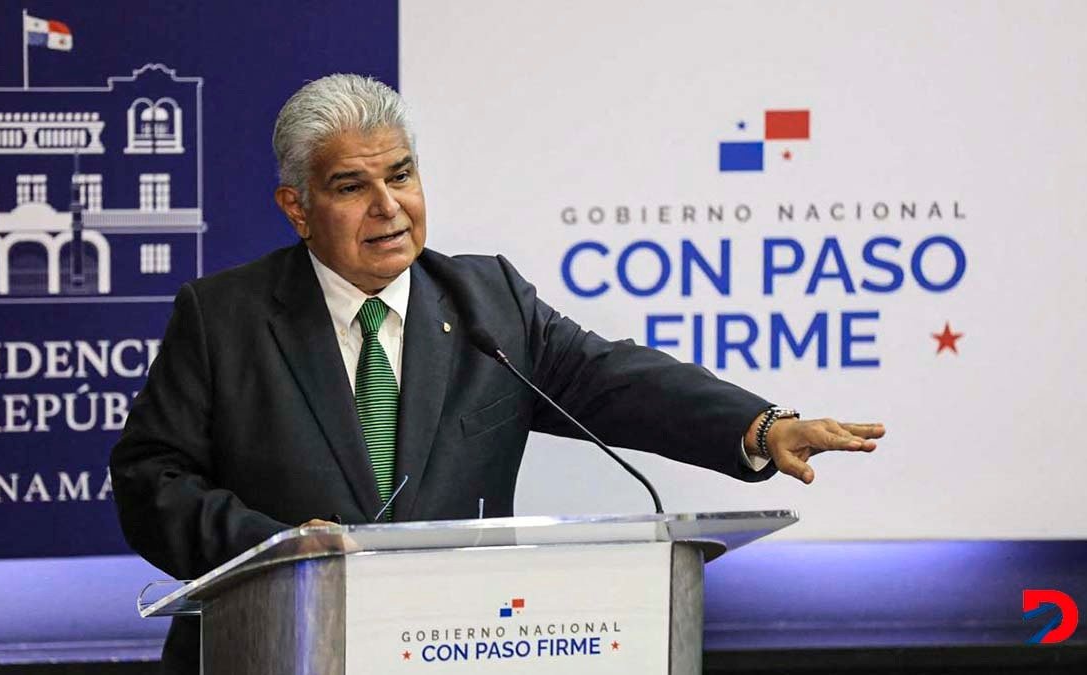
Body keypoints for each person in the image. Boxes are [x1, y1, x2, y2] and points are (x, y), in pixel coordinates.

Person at [109, 74, 884, 674]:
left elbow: (613, 381)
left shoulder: (486, 302)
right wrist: (278, 550)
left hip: (454, 646)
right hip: (272, 649)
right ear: (297, 206)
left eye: (402, 175)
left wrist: (757, 426)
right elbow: (151, 478)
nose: (389, 206)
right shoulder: (224, 318)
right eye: (352, 186)